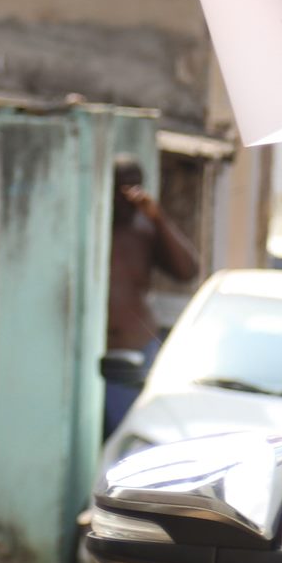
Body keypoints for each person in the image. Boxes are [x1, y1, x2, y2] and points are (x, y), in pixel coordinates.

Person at [105, 155, 198, 437]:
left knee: (137, 434)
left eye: (135, 187)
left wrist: (158, 218)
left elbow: (188, 270)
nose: (129, 197)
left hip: (138, 352)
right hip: (100, 358)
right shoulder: (96, 229)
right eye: (122, 189)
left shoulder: (145, 230)